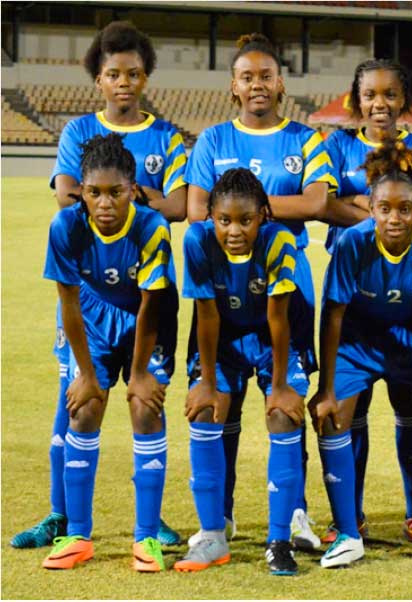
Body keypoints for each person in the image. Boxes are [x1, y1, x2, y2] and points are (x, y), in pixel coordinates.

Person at [11, 20, 185, 551]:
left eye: (134, 73)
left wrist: (126, 199)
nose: (124, 82)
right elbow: (66, 195)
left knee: (142, 402)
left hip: (143, 294)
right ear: (99, 80)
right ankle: (62, 518)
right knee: (74, 401)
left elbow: (179, 206)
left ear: (146, 77)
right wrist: (126, 198)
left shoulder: (167, 135)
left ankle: (148, 523)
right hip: (90, 296)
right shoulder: (77, 132)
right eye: (114, 74)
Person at [184, 33, 355, 551]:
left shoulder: (306, 138)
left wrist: (244, 215)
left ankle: (297, 512)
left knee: (286, 399)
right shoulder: (212, 140)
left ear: (280, 83)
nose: (257, 84)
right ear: (233, 86)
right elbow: (196, 213)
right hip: (222, 280)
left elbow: (319, 203)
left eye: (265, 75)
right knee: (223, 402)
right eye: (246, 76)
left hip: (286, 284)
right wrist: (253, 216)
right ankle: (225, 513)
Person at [308, 141, 412, 570]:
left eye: (404, 209)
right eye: (384, 209)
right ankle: (347, 532)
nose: (394, 218)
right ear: (372, 208)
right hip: (359, 343)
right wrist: (326, 387)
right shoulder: (352, 244)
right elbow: (333, 315)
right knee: (332, 415)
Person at [39, 133, 178, 572]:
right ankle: (78, 535)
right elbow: (69, 303)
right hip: (90, 317)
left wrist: (139, 373)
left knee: (145, 407)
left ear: (133, 189)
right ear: (80, 190)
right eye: (94, 192)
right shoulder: (66, 226)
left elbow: (150, 307)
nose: (105, 203)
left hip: (146, 317)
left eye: (115, 192)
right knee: (84, 407)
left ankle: (146, 539)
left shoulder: (152, 227)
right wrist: (86, 373)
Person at [321, 58, 412, 546]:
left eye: (390, 95)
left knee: (410, 405)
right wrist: (374, 215)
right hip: (353, 295)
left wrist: (359, 209)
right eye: (370, 94)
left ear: (404, 101)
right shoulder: (335, 146)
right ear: (356, 100)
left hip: (410, 300)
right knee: (351, 408)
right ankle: (349, 518)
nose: (380, 104)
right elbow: (321, 204)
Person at [176, 168, 307, 576]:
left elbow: (279, 319)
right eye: (225, 220)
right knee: (205, 411)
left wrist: (282, 386)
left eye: (246, 220)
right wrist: (209, 385)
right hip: (225, 336)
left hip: (275, 337)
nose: (235, 230)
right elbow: (206, 316)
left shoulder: (279, 242)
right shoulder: (196, 240)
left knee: (282, 415)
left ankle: (279, 540)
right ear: (210, 217)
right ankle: (213, 535)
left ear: (263, 216)